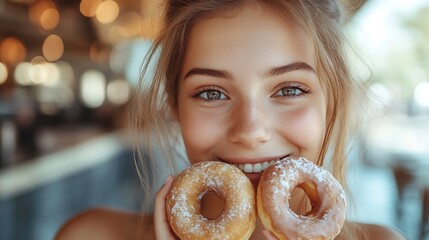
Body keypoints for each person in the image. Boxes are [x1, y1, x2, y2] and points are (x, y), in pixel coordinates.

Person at [55, 0, 406, 239]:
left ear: (333, 103)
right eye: (211, 93)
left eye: (289, 89)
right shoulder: (88, 234)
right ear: (175, 106)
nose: (250, 131)